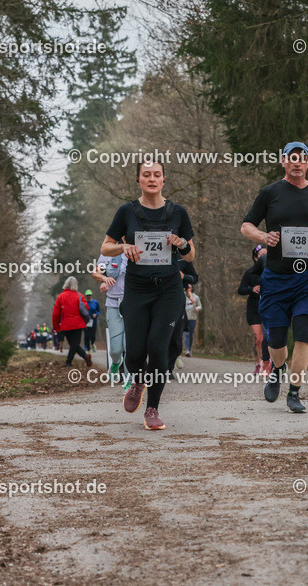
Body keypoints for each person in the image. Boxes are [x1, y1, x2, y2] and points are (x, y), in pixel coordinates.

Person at [241, 141, 308, 413]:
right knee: (278, 342)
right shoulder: (270, 193)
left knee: (305, 335)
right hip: (276, 278)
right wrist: (262, 236)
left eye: (302, 158)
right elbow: (246, 225)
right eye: (292, 158)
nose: (297, 163)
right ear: (283, 161)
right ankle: (278, 369)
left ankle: (294, 392)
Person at [102, 161, 195, 431]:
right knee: (134, 353)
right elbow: (105, 247)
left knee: (158, 348)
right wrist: (123, 247)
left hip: (168, 288)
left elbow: (191, 255)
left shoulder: (178, 212)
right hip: (137, 288)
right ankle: (139, 380)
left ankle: (152, 408)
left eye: (157, 175)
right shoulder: (127, 211)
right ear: (138, 180)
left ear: (164, 180)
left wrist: (182, 244)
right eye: (146, 175)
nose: (152, 179)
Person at [93, 251, 128, 387]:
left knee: (129, 346)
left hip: (133, 304)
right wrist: (104, 278)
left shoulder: (138, 251)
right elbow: (96, 273)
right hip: (113, 303)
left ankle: (128, 382)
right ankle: (115, 362)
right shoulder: (110, 253)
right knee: (115, 349)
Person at [238, 244, 271, 373]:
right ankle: (259, 362)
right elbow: (240, 290)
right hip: (254, 308)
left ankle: (269, 362)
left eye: (267, 254)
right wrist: (252, 289)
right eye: (262, 255)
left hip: (269, 308)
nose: (265, 257)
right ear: (256, 258)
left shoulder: (273, 272)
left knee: (268, 337)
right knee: (259, 338)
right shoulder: (250, 272)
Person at [52, 277, 91, 368]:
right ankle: (85, 357)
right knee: (74, 345)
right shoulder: (80, 296)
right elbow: (86, 308)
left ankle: (69, 362)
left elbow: (55, 314)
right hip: (78, 324)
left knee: (73, 345)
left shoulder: (60, 297)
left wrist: (57, 328)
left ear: (66, 284)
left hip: (66, 325)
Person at [183, 284, 202, 357]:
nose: (189, 289)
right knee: (186, 334)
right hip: (184, 318)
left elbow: (200, 306)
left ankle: (189, 349)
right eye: (188, 287)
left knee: (190, 334)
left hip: (192, 318)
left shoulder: (196, 297)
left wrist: (198, 308)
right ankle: (187, 350)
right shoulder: (183, 296)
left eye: (190, 287)